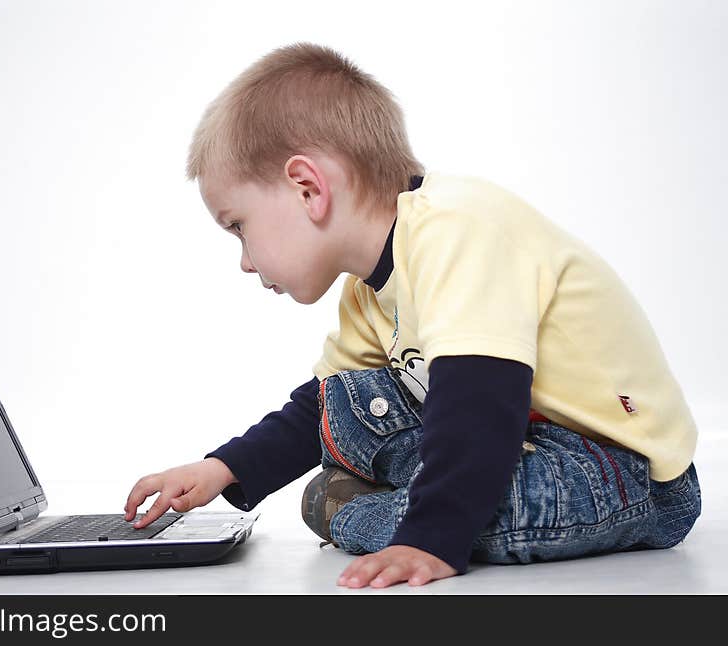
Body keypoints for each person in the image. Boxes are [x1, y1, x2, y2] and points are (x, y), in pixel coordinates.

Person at [123, 42, 702, 588]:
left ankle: (423, 510)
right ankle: (426, 500)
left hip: (623, 474)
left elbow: (478, 400)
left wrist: (430, 540)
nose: (245, 262)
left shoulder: (458, 228)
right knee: (345, 406)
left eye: (238, 227)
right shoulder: (367, 290)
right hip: (518, 443)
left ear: (307, 188)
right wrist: (221, 468)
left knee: (343, 505)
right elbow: (325, 408)